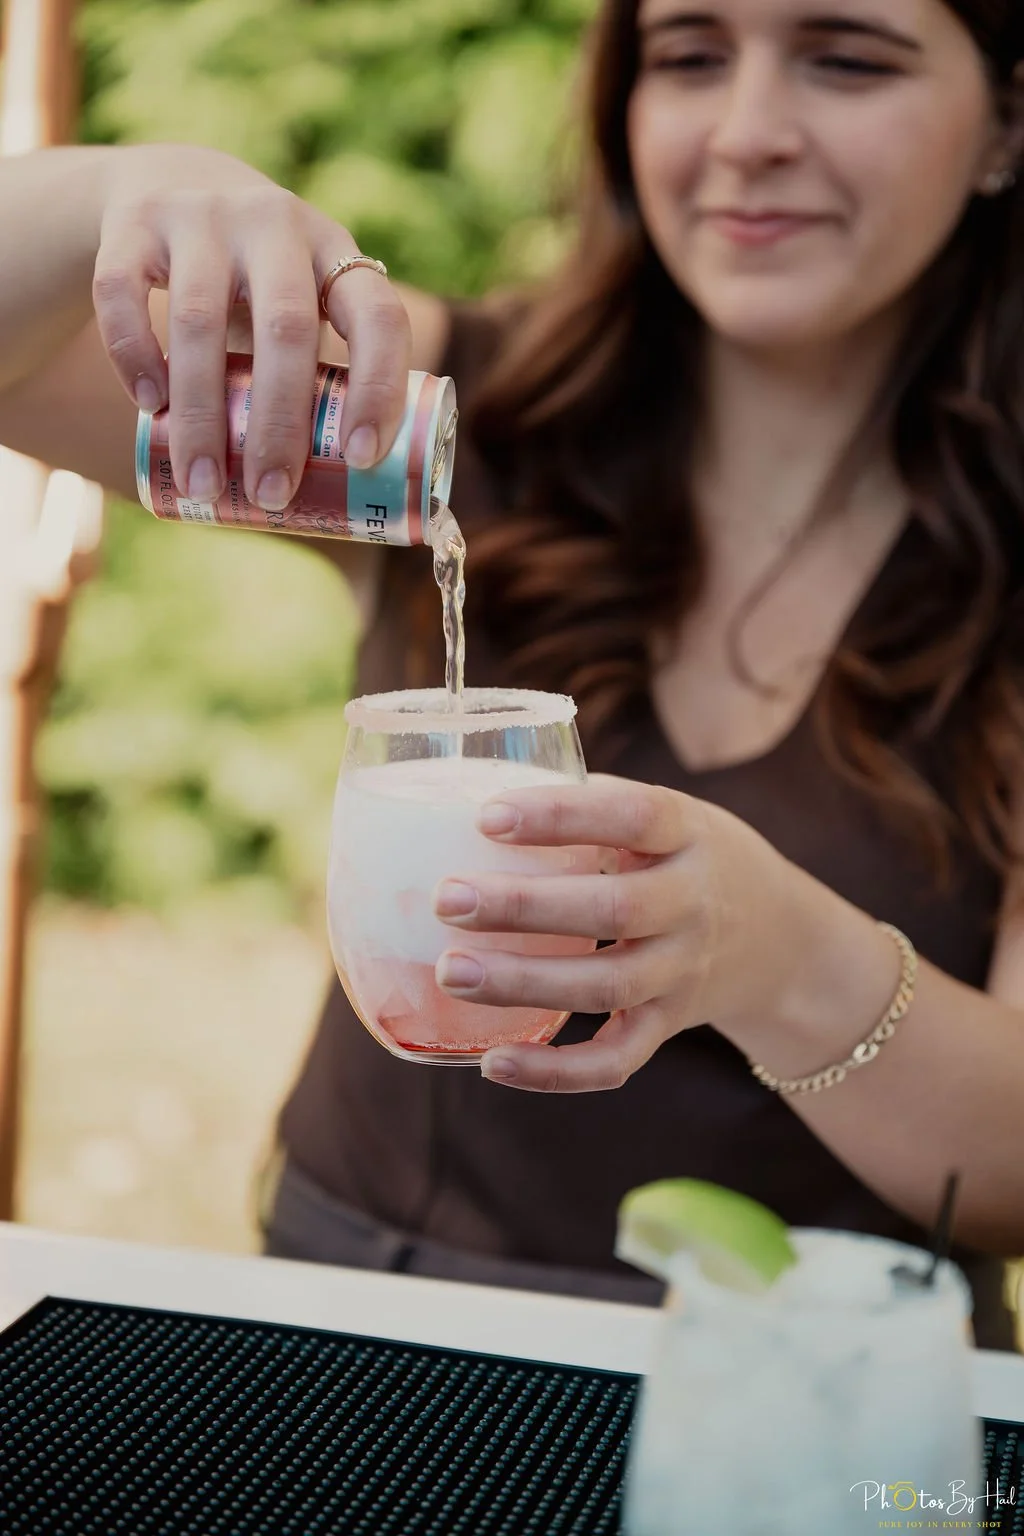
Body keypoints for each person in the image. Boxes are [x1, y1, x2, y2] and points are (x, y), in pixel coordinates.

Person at [1, 0, 1023, 1349]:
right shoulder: (440, 416)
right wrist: (113, 191)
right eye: (690, 55)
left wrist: (775, 954)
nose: (747, 133)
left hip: (803, 1397)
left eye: (846, 57)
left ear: (1007, 122)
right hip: (345, 1328)